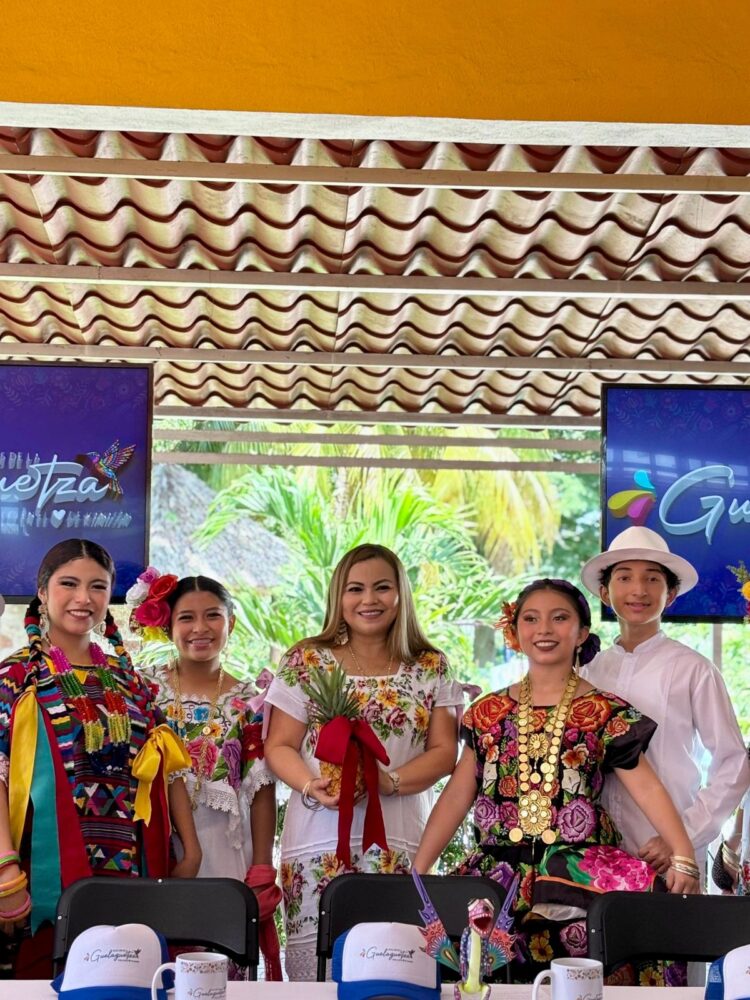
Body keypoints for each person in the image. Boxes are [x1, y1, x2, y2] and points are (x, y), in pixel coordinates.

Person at [413, 578, 700, 984]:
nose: (544, 629)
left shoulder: (604, 711)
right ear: (515, 632)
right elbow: (458, 794)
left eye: (559, 618)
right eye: (531, 619)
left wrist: (683, 855)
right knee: (472, 967)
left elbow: (648, 787)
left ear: (581, 632)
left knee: (636, 930)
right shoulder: (487, 712)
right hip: (498, 873)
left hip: (578, 872)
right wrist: (419, 871)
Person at [0, 539, 201, 979]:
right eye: (68, 583)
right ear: (42, 590)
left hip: (133, 863)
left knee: (130, 979)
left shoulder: (131, 681)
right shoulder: (14, 678)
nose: (83, 598)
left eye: (97, 586)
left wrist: (191, 847)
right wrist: (5, 866)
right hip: (44, 871)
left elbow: (168, 767)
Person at [263, 543, 462, 981]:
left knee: (393, 963)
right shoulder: (306, 659)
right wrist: (309, 784)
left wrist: (388, 782)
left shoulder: (431, 665)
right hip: (318, 836)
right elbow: (279, 745)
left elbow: (445, 753)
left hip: (399, 835)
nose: (368, 600)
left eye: (381, 588)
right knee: (318, 967)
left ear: (400, 594)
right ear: (339, 596)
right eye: (355, 589)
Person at [580, 526, 750, 884]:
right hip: (596, 856)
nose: (638, 590)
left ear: (670, 594)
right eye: (624, 577)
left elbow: (734, 763)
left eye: (652, 579)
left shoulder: (694, 669)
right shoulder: (588, 672)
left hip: (673, 860)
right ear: (604, 592)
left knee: (674, 939)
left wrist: (682, 836)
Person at [135, 573, 280, 979]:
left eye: (213, 616)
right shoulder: (145, 693)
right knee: (156, 967)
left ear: (231, 623)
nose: (200, 628)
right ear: (167, 625)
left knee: (221, 970)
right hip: (160, 847)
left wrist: (262, 868)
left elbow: (262, 790)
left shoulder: (251, 700)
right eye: (187, 618)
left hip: (227, 852)